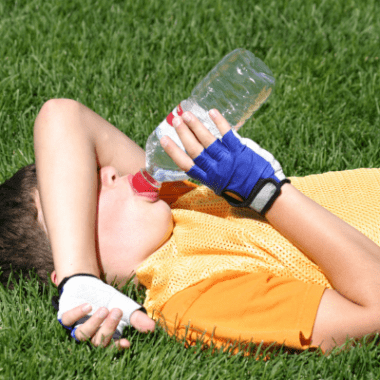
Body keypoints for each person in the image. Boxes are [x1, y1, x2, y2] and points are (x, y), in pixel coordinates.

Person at [2, 99, 380, 353]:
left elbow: (60, 115)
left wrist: (79, 275)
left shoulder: (177, 200)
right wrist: (268, 195)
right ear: (71, 244)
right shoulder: (190, 299)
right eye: (86, 194)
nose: (111, 172)